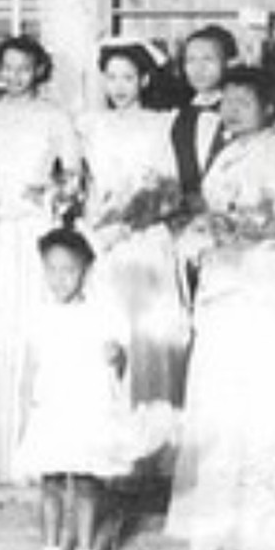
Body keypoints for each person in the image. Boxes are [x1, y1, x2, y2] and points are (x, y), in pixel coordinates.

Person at [166, 67, 275, 550]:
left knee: (256, 399)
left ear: (269, 107)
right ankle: (217, 516)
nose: (232, 110)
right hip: (223, 282)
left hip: (260, 286)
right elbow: (214, 210)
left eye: (244, 101)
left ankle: (260, 527)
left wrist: (248, 228)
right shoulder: (227, 153)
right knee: (219, 396)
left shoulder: (272, 151)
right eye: (227, 101)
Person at [0, 35, 79, 483]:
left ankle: (30, 445)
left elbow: (74, 178)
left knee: (28, 326)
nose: (15, 76)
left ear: (39, 70)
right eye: (7, 67)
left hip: (32, 231)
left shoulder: (54, 116)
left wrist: (47, 194)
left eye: (24, 68)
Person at [17, 228, 133, 550]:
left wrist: (117, 357)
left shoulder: (102, 313)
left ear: (86, 270)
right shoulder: (38, 313)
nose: (59, 278)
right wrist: (24, 418)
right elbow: (30, 369)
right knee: (51, 483)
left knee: (85, 484)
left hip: (87, 410)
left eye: (69, 270)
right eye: (52, 269)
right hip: (51, 408)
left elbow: (117, 358)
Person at [79, 41, 189, 418]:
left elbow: (168, 188)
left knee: (146, 332)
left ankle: (148, 432)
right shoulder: (91, 124)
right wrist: (95, 221)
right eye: (111, 77)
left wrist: (130, 221)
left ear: (144, 79)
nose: (119, 86)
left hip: (144, 236)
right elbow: (86, 183)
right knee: (108, 331)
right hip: (102, 234)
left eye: (127, 77)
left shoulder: (161, 123)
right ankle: (109, 428)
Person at [170, 25, 238, 209]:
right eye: (190, 60)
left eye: (208, 59)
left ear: (229, 62)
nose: (198, 68)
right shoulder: (177, 117)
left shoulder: (242, 114)